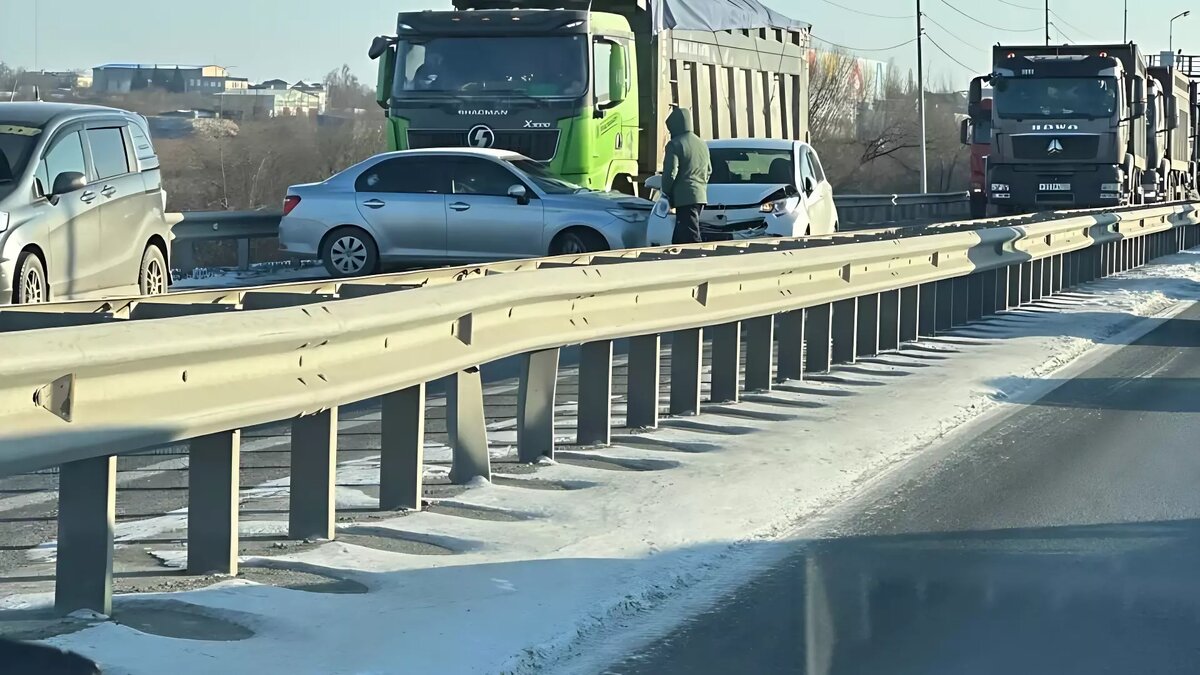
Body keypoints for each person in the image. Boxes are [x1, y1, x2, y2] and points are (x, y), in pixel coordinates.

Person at [661, 107, 712, 245]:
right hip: (700, 195)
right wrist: (700, 186)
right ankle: (677, 258)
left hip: (684, 198)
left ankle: (698, 259)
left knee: (691, 236)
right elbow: (709, 170)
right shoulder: (702, 144)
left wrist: (666, 191)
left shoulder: (675, 144)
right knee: (681, 234)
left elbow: (670, 173)